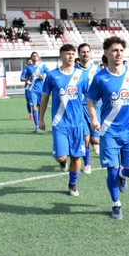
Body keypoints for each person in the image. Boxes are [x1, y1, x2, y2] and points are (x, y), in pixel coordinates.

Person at [86, 36, 129, 219]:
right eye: (114, 50)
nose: (118, 53)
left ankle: (123, 174)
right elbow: (91, 100)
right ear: (106, 53)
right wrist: (94, 118)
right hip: (108, 131)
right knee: (111, 170)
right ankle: (116, 204)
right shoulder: (100, 77)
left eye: (121, 50)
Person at [39, 44, 90, 196]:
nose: (71, 56)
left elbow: (90, 99)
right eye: (67, 54)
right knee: (61, 156)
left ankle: (72, 184)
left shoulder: (82, 75)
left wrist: (90, 123)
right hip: (59, 123)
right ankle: (62, 162)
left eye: (73, 54)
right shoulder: (52, 75)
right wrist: (41, 119)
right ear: (61, 56)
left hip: (78, 123)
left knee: (76, 157)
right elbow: (45, 97)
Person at [76, 42, 99, 173]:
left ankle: (96, 143)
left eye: (87, 51)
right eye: (83, 52)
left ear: (91, 53)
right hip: (79, 107)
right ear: (79, 54)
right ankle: (88, 163)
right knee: (85, 138)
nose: (85, 54)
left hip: (96, 106)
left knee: (95, 139)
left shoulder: (97, 70)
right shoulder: (74, 71)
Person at [21, 52, 50, 131]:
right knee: (34, 107)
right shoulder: (28, 67)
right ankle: (37, 126)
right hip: (32, 89)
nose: (34, 57)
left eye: (36, 55)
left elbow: (50, 75)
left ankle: (41, 121)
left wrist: (42, 76)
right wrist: (27, 80)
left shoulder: (43, 66)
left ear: (38, 57)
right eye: (33, 56)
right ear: (31, 58)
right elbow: (22, 78)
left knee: (41, 108)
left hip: (42, 90)